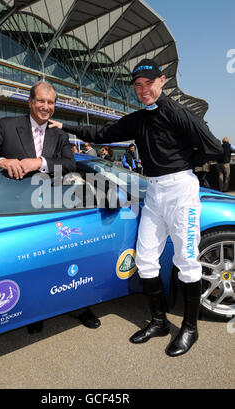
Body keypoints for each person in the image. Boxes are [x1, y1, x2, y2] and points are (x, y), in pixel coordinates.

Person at [49, 58, 223, 357]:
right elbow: (102, 134)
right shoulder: (138, 119)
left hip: (181, 190)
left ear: (162, 81)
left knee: (186, 261)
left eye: (149, 84)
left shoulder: (179, 113)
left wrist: (184, 164)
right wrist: (64, 126)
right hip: (153, 192)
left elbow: (213, 148)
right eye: (138, 86)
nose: (143, 90)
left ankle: (190, 328)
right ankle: (159, 322)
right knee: (145, 260)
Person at [0, 81, 100, 332]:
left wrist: (39, 162)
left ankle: (79, 307)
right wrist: (2, 160)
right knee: (27, 265)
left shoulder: (59, 134)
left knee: (67, 261)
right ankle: (32, 313)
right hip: (19, 210)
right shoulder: (8, 126)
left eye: (50, 102)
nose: (45, 107)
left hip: (55, 210)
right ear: (30, 102)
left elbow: (70, 164)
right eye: (40, 101)